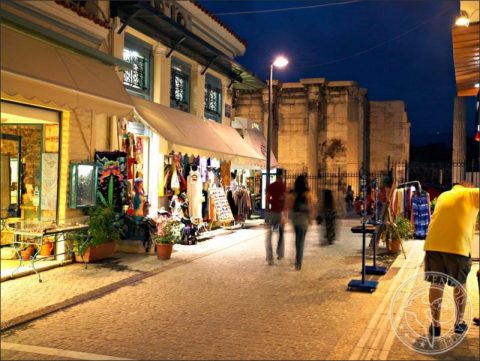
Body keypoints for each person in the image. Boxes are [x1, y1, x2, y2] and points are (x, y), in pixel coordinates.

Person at [424, 182, 479, 337]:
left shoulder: (444, 195)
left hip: (433, 244)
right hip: (457, 247)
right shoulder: (471, 194)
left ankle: (435, 326)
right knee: (460, 283)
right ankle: (459, 323)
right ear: (469, 187)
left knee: (436, 282)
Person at [286, 175, 314, 271]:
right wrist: (310, 218)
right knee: (300, 242)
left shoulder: (294, 193)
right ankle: (298, 263)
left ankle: (298, 262)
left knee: (298, 241)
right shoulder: (308, 193)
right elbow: (311, 206)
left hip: (295, 219)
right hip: (303, 220)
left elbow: (289, 205)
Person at [265, 169, 286, 265]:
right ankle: (280, 253)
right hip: (280, 213)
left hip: (272, 212)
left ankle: (270, 258)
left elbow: (267, 198)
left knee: (269, 235)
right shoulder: (283, 186)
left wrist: (270, 205)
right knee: (281, 234)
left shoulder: (271, 186)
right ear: (281, 176)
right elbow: (285, 200)